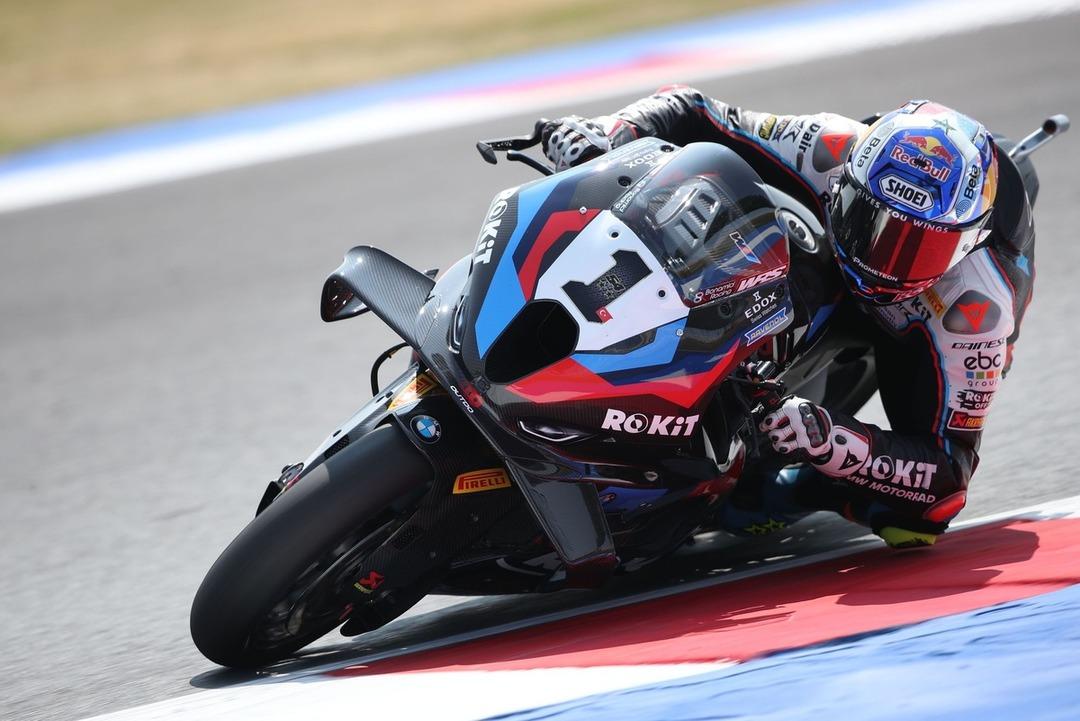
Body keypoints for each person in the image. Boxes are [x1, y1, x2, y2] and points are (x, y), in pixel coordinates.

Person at [539, 86, 1035, 547]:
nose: (885, 261)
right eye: (873, 221)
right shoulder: (830, 147)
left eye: (921, 249)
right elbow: (695, 110)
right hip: (825, 252)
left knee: (916, 522)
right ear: (850, 178)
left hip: (915, 327)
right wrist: (610, 130)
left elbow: (948, 476)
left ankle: (787, 491)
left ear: (967, 243)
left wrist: (833, 439)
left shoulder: (977, 310)